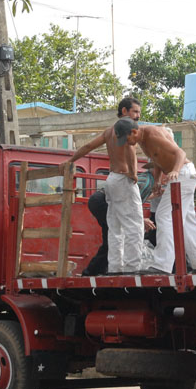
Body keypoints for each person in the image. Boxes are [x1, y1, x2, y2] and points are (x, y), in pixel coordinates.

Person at [116, 120, 196, 274]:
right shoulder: (141, 140)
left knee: (163, 216)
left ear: (133, 132)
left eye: (127, 139)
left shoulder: (152, 134)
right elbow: (158, 160)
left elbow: (180, 153)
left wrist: (175, 170)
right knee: (187, 221)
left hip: (182, 173)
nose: (128, 144)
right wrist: (157, 181)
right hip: (181, 175)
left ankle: (162, 265)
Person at [60, 114, 145, 273]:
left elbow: (87, 147)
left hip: (111, 178)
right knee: (134, 225)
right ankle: (132, 268)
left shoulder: (108, 132)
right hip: (123, 178)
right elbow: (130, 151)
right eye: (135, 112)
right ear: (125, 112)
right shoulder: (129, 133)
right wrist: (133, 173)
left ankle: (115, 267)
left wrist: (70, 161)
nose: (137, 116)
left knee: (114, 227)